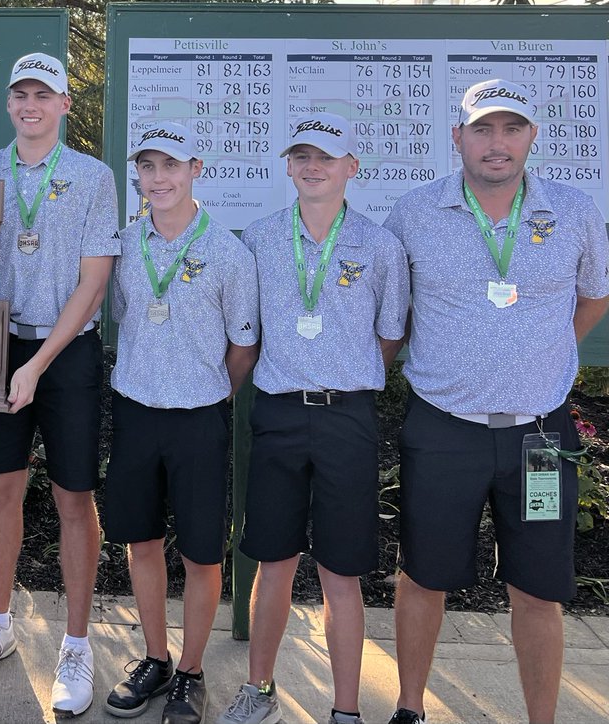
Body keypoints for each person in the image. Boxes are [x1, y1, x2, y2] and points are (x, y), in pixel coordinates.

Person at [382, 79, 609, 724]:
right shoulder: (414, 213)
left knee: (538, 589)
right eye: (482, 129)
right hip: (444, 428)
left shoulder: (574, 211)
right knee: (423, 575)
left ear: (532, 137)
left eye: (511, 129)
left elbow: (594, 294)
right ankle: (408, 708)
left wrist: (546, 356)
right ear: (457, 137)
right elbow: (392, 309)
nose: (497, 143)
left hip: (539, 435)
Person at [216, 113, 409, 724]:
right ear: (288, 166)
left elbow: (389, 338)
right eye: (301, 156)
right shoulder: (260, 238)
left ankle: (346, 709)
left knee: (341, 571)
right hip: (277, 415)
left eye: (327, 157)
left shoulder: (381, 246)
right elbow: (244, 332)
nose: (313, 166)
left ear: (353, 167)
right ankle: (259, 690)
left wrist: (339, 374)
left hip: (347, 418)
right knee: (273, 561)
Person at [0, 51, 120, 718]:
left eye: (42, 94)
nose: (30, 104)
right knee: (2, 489)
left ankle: (75, 644)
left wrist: (37, 363)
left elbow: (94, 281)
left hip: (65, 352)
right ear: (10, 102)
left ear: (64, 104)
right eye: (20, 93)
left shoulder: (92, 177)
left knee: (75, 497)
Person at [103, 122, 259, 724]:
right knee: (141, 542)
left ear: (196, 168)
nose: (159, 177)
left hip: (199, 418)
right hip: (136, 412)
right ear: (137, 174)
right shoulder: (124, 243)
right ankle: (156, 657)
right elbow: (122, 319)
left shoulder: (228, 252)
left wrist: (207, 393)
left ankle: (191, 672)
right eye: (148, 166)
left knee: (200, 554)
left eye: (171, 165)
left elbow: (242, 346)